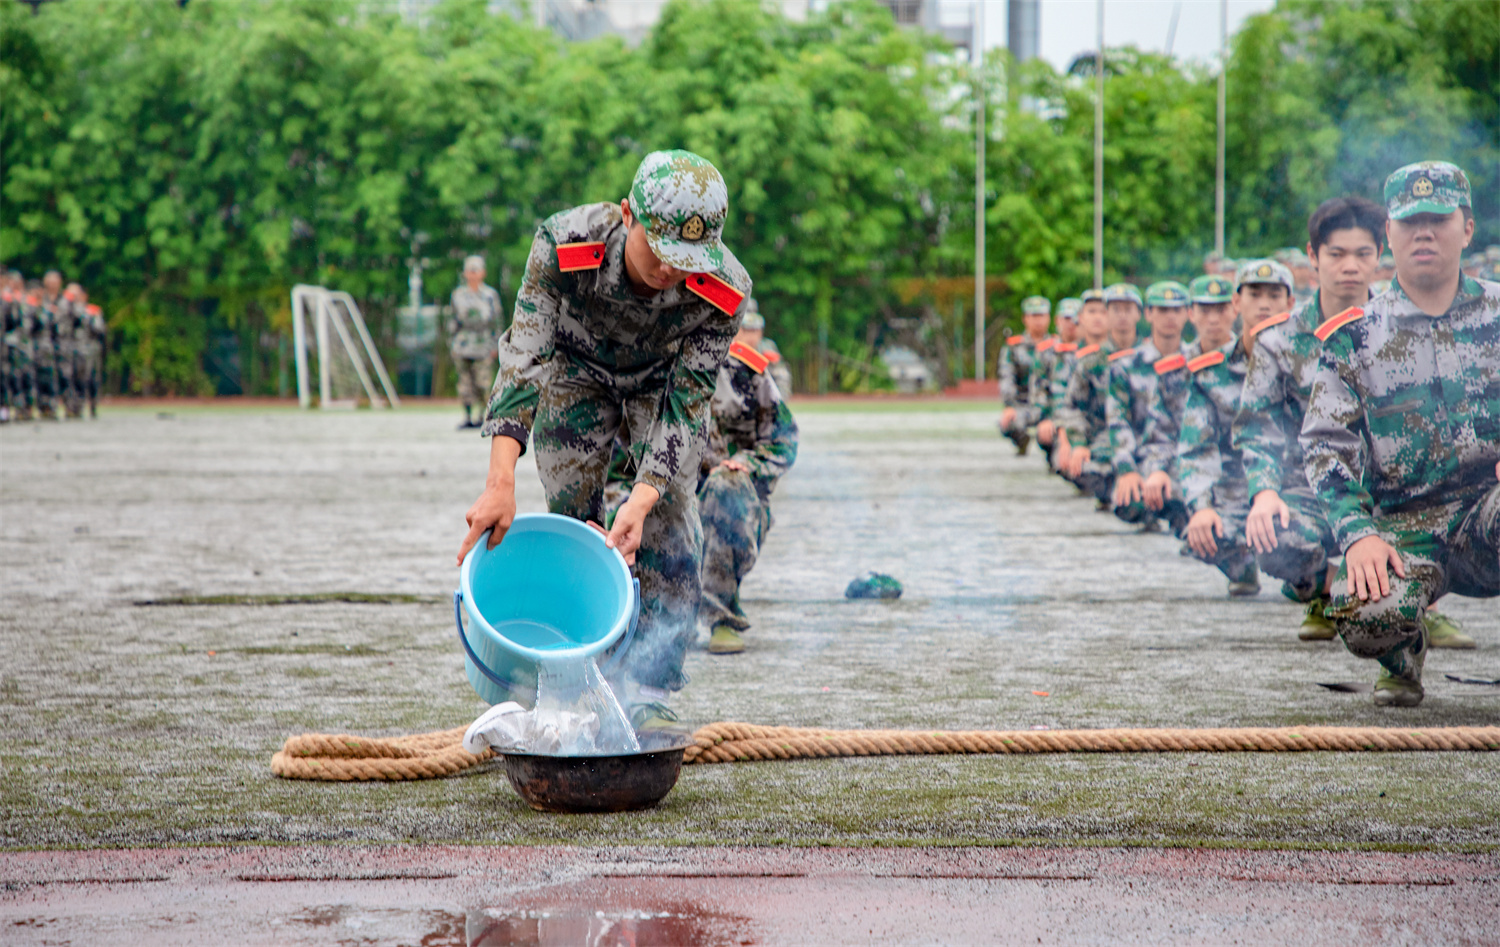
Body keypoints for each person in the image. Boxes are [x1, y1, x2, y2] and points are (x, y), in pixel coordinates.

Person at [457, 150, 752, 728]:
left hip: (660, 381)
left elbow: (687, 403)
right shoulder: (565, 243)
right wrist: (499, 482)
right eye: (660, 250)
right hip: (575, 371)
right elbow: (524, 360)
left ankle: (647, 687)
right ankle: (576, 671)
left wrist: (642, 499)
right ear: (627, 214)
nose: (670, 270)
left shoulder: (724, 288)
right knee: (572, 516)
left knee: (669, 513)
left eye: (687, 260)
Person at [1301, 160, 1499, 707]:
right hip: (1402, 530)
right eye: (1411, 221)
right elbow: (1325, 447)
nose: (1424, 233)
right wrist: (1357, 534)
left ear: (1467, 228)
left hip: (1488, 513)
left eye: (1438, 219)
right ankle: (1402, 654)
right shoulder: (1355, 336)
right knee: (1366, 613)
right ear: (1389, 233)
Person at [1235, 198, 1382, 640]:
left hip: (1388, 495)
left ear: (1380, 255)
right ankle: (1331, 588)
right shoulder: (1278, 341)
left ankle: (1413, 604)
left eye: (1363, 253)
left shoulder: (1403, 329)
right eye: (1337, 253)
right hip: (1312, 493)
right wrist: (1264, 492)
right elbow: (1256, 426)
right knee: (1271, 536)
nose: (1350, 266)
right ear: (1313, 256)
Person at [1168, 265, 1282, 598]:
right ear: (1239, 303)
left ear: (1291, 302)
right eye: (1254, 295)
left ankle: (1316, 578)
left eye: (1273, 295)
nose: (1264, 304)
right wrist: (1202, 506)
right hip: (1235, 481)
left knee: (1296, 539)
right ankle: (1242, 563)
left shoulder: (1311, 360)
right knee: (1203, 529)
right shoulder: (1208, 372)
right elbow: (1194, 445)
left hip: (1294, 485)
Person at [697, 323, 799, 655]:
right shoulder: (652, 364)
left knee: (725, 485)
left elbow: (784, 440)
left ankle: (722, 617)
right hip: (671, 496)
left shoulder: (745, 370)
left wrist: (745, 464)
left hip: (736, 502)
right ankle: (653, 619)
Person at [1107, 281, 1188, 530]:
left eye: (1176, 310)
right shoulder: (1126, 366)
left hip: (1189, 457)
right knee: (1128, 500)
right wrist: (1127, 469)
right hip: (1144, 458)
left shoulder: (1197, 364)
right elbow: (1118, 421)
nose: (1170, 317)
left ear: (1188, 313)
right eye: (1162, 310)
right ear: (1149, 314)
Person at [1056, 287, 1138, 509]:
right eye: (1115, 310)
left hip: (1147, 440)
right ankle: (1110, 492)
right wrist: (1078, 443)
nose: (1122, 316)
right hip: (1106, 437)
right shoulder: (1091, 362)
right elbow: (1071, 406)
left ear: (1140, 314)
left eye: (1128, 309)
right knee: (1084, 467)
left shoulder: (1151, 357)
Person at [448, 256, 503, 430]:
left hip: (483, 344)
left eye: (475, 270)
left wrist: (496, 345)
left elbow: (497, 322)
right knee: (465, 384)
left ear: (482, 273)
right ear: (465, 273)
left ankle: (482, 416)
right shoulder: (458, 295)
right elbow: (453, 321)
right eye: (470, 271)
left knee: (483, 383)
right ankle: (467, 416)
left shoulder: (490, 295)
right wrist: (452, 343)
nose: (472, 274)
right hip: (463, 344)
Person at [998, 295, 1054, 456]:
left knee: (1058, 428)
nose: (1038, 320)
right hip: (1023, 404)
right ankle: (1022, 442)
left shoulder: (1057, 347)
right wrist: (1010, 405)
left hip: (1050, 406)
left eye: (1041, 315)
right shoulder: (1014, 347)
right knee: (1008, 423)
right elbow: (1007, 377)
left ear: (1049, 318)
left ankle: (1053, 455)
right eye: (1033, 316)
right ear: (1025, 319)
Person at [1034, 297, 1081, 460]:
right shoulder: (1046, 352)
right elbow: (1039, 391)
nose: (1071, 323)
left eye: (1076, 318)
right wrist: (1045, 419)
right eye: (1066, 318)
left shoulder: (1091, 352)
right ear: (1057, 320)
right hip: (1055, 418)